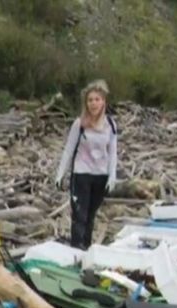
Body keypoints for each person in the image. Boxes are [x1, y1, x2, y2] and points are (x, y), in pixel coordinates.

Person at [54, 80, 118, 249]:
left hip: (100, 176)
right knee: (79, 216)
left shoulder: (110, 125)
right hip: (81, 174)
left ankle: (86, 251)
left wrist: (112, 176)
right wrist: (60, 174)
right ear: (86, 103)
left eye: (97, 99)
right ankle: (75, 250)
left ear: (103, 101)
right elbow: (68, 150)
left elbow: (112, 152)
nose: (93, 103)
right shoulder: (79, 124)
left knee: (90, 216)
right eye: (90, 100)